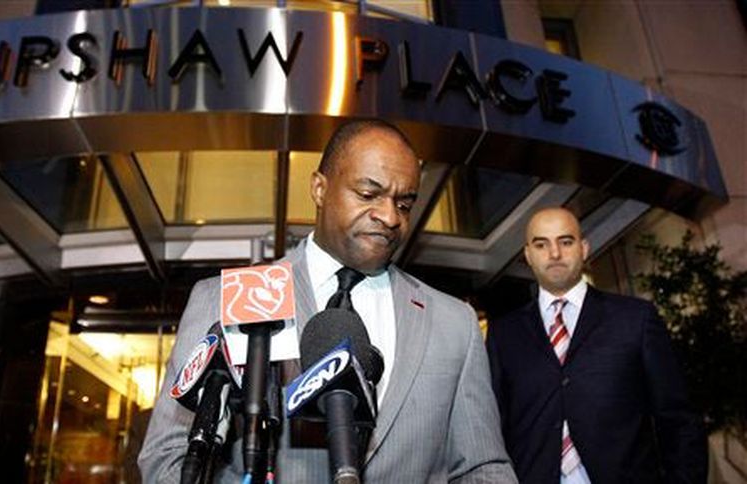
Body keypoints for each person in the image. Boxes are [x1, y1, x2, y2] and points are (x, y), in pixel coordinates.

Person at [139, 119, 517, 482]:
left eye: (404, 204)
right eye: (368, 194)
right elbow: (168, 458)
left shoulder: (454, 323)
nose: (389, 217)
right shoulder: (229, 298)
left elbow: (483, 468)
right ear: (319, 189)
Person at [486, 207, 708, 484]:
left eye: (566, 241)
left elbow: (678, 419)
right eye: (541, 244)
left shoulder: (635, 319)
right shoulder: (503, 334)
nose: (554, 253)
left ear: (584, 248)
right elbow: (492, 429)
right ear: (528, 255)